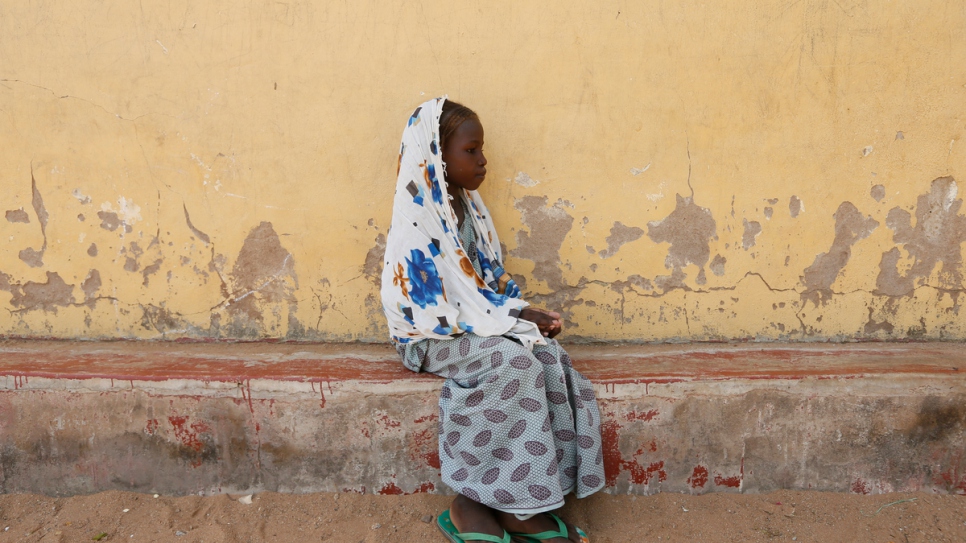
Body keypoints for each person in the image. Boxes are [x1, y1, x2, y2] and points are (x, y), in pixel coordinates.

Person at [381, 97, 604, 543]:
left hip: (473, 325)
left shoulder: (469, 209)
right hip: (428, 336)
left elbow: (484, 284)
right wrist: (507, 319)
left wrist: (520, 314)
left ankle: (522, 504)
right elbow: (431, 308)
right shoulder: (417, 214)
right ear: (436, 156)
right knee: (511, 363)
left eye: (482, 150)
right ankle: (469, 499)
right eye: (470, 151)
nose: (482, 160)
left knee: (546, 356)